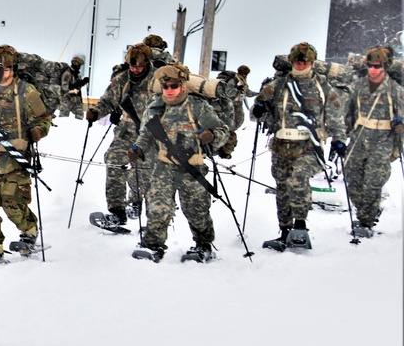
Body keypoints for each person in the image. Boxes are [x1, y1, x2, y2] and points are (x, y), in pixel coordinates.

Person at [129, 64, 229, 261]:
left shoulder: (198, 106)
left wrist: (212, 135)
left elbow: (223, 131)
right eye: (165, 86)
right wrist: (138, 148)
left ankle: (203, 244)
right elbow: (146, 134)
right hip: (164, 166)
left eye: (173, 86)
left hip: (192, 167)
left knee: (196, 210)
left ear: (183, 85)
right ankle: (152, 245)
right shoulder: (156, 107)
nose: (169, 90)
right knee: (158, 206)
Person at [251, 42, 347, 247]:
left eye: (305, 62)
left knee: (299, 177)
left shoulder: (323, 86)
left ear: (312, 62)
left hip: (309, 146)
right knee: (283, 188)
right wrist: (258, 110)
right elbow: (256, 111)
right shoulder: (278, 85)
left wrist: (339, 140)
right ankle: (285, 230)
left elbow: (335, 116)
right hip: (282, 144)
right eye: (297, 62)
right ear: (292, 62)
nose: (301, 65)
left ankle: (300, 227)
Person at [0, 45, 52, 262]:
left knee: (13, 204)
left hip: (15, 161)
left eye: (7, 69)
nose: (3, 73)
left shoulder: (27, 92)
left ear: (14, 69)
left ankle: (29, 232)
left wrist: (35, 132)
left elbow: (44, 120)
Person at [85, 43, 156, 224]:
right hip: (127, 131)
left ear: (147, 63)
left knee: (146, 172)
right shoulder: (123, 79)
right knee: (114, 162)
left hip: (152, 134)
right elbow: (108, 100)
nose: (135, 70)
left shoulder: (157, 81)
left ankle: (139, 204)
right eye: (132, 66)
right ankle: (117, 212)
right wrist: (96, 112)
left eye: (139, 66)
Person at [341, 46, 404, 237]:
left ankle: (365, 220)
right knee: (352, 176)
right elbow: (347, 112)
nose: (373, 69)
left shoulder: (395, 90)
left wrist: (400, 125)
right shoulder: (357, 87)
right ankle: (366, 210)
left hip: (383, 139)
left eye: (377, 66)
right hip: (359, 137)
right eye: (370, 65)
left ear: (384, 67)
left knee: (373, 181)